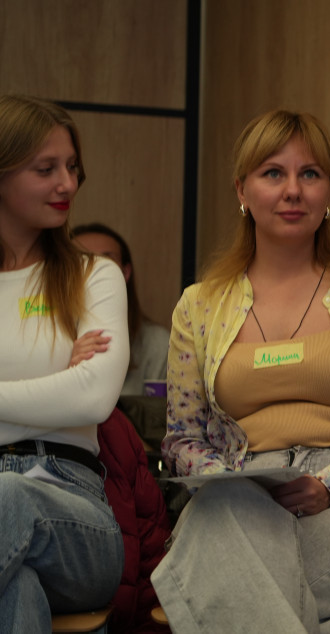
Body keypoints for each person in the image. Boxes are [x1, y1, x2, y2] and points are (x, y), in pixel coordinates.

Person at [150, 109, 330, 633]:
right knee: (233, 539)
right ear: (242, 189)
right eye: (273, 173)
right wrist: (228, 482)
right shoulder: (198, 307)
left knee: (217, 576)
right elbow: (181, 440)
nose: (293, 190)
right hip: (238, 498)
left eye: (310, 174)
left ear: (328, 191)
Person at [0, 95, 129, 630]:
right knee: (17, 590)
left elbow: (93, 398)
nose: (67, 184)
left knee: (8, 498)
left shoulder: (94, 275)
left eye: (72, 167)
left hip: (74, 509)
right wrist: (57, 384)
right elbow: (73, 392)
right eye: (46, 169)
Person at [72, 222, 170, 395]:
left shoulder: (157, 344)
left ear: (125, 272)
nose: (94, 272)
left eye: (105, 262)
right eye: (81, 261)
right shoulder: (45, 340)